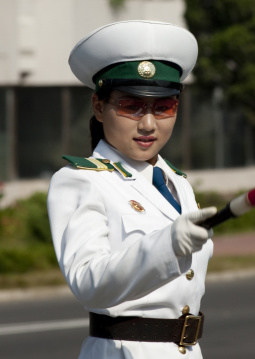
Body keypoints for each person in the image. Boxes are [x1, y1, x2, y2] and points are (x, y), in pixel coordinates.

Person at [47, 20, 217, 359]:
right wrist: (166, 245)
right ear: (99, 106)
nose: (148, 124)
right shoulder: (83, 180)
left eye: (163, 107)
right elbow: (88, 283)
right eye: (131, 106)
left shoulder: (177, 183)